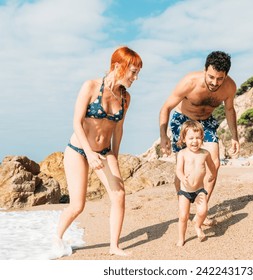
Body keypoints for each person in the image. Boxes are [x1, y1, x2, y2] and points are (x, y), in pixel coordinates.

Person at [56, 46, 142, 256]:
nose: (135, 78)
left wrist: (114, 155)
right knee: (78, 205)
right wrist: (89, 152)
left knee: (119, 195)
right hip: (78, 149)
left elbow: (119, 129)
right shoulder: (91, 87)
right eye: (133, 72)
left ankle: (114, 246)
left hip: (104, 151)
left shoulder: (125, 98)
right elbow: (76, 122)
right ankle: (56, 237)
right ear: (117, 66)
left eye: (137, 73)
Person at [159, 51, 240, 225]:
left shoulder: (229, 87)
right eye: (210, 77)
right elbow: (166, 107)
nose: (214, 82)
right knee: (184, 166)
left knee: (215, 163)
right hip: (183, 121)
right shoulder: (190, 82)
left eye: (219, 78)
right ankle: (184, 204)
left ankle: (201, 211)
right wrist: (163, 136)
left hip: (207, 122)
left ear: (226, 75)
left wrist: (235, 136)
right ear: (204, 70)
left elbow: (229, 110)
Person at [175, 120, 216, 246]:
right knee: (183, 216)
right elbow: (178, 170)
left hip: (199, 190)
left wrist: (213, 175)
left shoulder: (205, 153)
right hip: (185, 191)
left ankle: (198, 225)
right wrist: (182, 177)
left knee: (203, 211)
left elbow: (212, 166)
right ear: (184, 139)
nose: (195, 141)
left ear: (202, 138)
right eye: (191, 138)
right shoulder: (182, 153)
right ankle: (181, 238)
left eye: (198, 138)